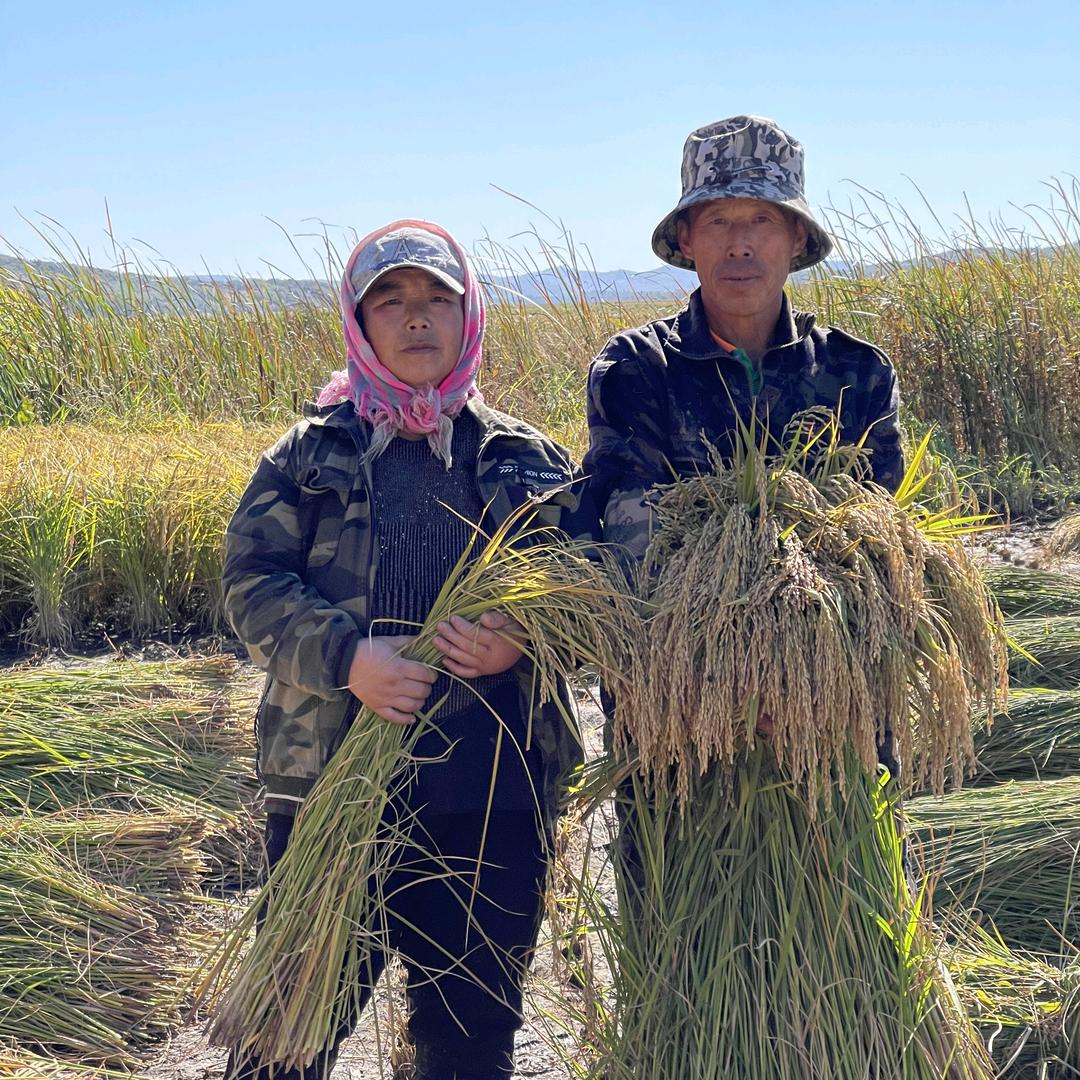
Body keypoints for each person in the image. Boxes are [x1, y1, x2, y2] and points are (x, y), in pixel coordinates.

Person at [221, 220, 593, 1080]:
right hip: (334, 787)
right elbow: (250, 585)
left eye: (437, 298)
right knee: (285, 1042)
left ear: (470, 316)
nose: (416, 316)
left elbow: (586, 589)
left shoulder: (528, 459)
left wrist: (521, 639)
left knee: (469, 1045)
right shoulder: (308, 456)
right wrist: (351, 660)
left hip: (492, 794)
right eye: (389, 301)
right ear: (359, 324)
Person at [584, 114, 903, 750]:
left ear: (795, 236)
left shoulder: (855, 373)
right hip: (678, 720)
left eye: (761, 219)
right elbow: (630, 547)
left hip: (832, 716)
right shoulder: (638, 371)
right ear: (687, 238)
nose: (739, 245)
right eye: (718, 221)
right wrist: (732, 687)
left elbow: (877, 550)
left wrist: (805, 681)